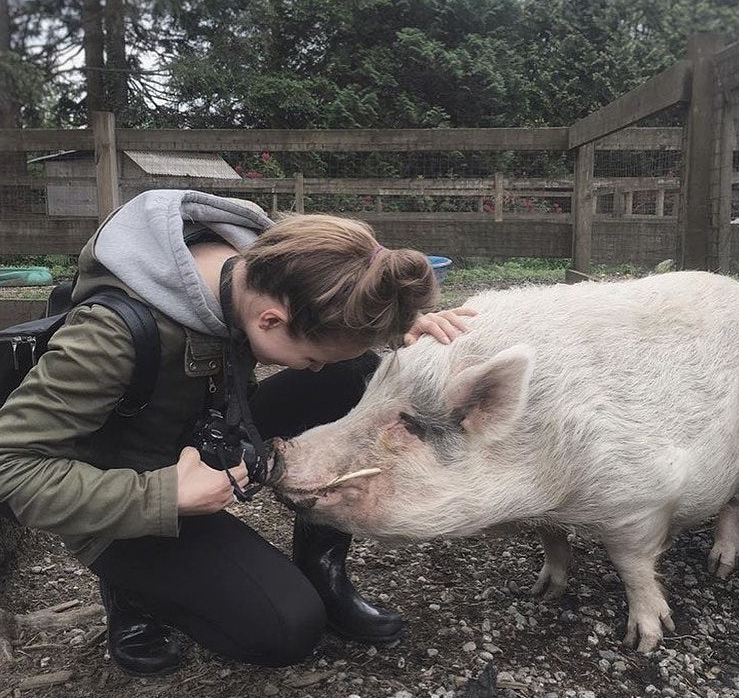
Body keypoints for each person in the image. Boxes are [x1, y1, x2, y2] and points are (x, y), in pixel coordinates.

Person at [0, 189, 472, 677]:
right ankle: (133, 595)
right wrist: (164, 495)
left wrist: (390, 325)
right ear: (270, 319)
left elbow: (328, 324)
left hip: (203, 430)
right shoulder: (112, 335)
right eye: (310, 359)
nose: (310, 372)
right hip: (126, 485)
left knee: (356, 374)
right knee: (285, 629)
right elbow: (11, 468)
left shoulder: (268, 270)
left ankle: (321, 571)